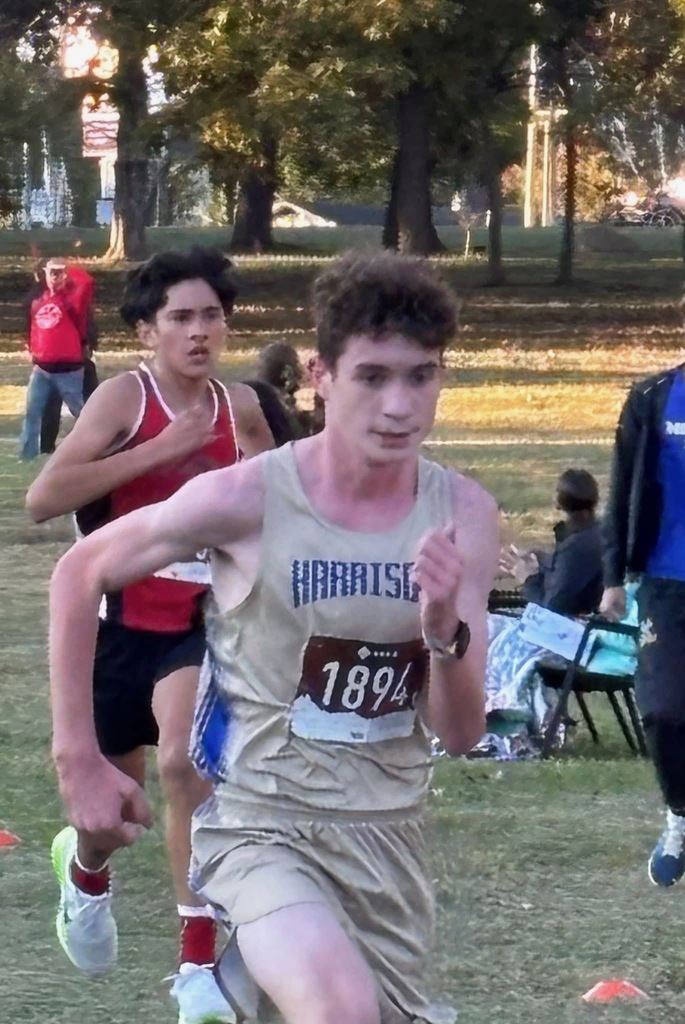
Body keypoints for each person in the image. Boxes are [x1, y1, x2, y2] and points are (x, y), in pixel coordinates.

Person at [48, 250, 498, 1024]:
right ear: (320, 375)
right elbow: (80, 570)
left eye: (420, 376)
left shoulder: (461, 513)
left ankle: (231, 988)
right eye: (372, 377)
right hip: (261, 825)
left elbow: (459, 734)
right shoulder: (251, 494)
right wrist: (76, 759)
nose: (399, 406)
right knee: (338, 1010)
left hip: (386, 842)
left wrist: (443, 632)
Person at [27, 247, 273, 1024]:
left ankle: (196, 965)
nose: (199, 332)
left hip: (197, 625)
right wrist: (163, 450)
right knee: (110, 814)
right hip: (113, 623)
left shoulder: (245, 408)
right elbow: (44, 497)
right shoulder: (123, 400)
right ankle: (86, 873)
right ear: (146, 332)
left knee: (183, 759)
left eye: (211, 316)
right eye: (180, 319)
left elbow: (282, 506)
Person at [600, 361, 685, 889]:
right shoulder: (653, 396)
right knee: (662, 709)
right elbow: (623, 486)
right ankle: (680, 812)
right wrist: (612, 575)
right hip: (667, 579)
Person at [19, 258, 95, 460]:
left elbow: (87, 281)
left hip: (68, 369)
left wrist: (66, 267)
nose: (55, 277)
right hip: (42, 369)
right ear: (44, 275)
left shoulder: (73, 300)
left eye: (59, 273)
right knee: (32, 413)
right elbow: (36, 328)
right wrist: (33, 349)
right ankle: (28, 456)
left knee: (81, 413)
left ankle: (95, 449)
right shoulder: (38, 301)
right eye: (51, 273)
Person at [499, 468, 603, 616]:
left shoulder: (574, 548)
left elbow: (551, 610)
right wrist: (544, 560)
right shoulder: (598, 532)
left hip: (577, 629)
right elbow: (573, 573)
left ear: (558, 502)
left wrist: (527, 579)